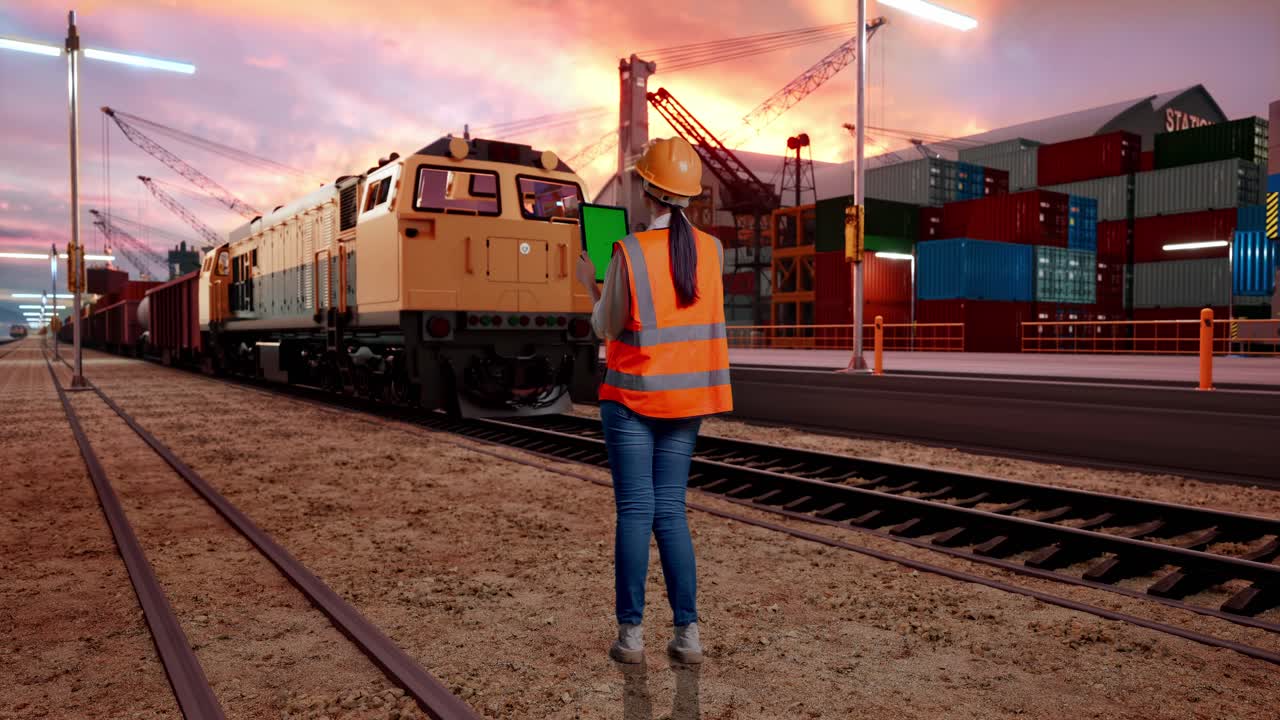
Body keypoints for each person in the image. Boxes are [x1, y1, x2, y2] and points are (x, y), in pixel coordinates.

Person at [575, 137, 733, 666]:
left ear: (647, 189)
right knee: (672, 514)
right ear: (686, 195)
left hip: (633, 400)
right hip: (687, 404)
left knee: (636, 512)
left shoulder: (630, 251)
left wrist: (589, 283)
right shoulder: (710, 251)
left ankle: (632, 638)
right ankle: (688, 638)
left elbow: (605, 324)